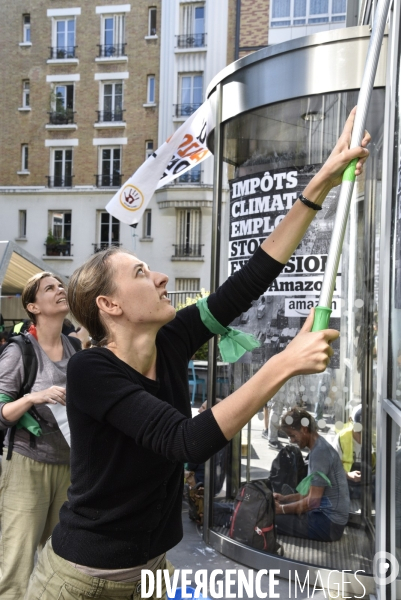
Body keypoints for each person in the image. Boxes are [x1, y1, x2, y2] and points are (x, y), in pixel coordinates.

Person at [25, 109, 370, 599]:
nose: (162, 277)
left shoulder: (172, 339)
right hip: (83, 580)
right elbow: (185, 442)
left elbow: (250, 279)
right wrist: (283, 363)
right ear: (110, 305)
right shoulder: (91, 369)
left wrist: (319, 185)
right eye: (143, 273)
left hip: (153, 572)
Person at [0, 272, 80, 600]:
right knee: (17, 560)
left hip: (70, 468)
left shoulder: (75, 347)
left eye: (60, 285)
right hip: (26, 466)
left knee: (59, 559)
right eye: (50, 288)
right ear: (33, 306)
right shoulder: (20, 352)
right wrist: (34, 397)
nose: (60, 290)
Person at [274, 408, 350, 542]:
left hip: (329, 525)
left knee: (269, 519)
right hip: (329, 520)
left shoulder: (319, 453)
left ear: (304, 429)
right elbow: (311, 493)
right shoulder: (319, 447)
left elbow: (312, 502)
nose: (291, 441)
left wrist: (281, 510)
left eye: (292, 435)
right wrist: (284, 499)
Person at [333, 404, 375, 500]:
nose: (360, 435)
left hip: (369, 482)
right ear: (350, 420)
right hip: (346, 481)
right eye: (358, 430)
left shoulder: (375, 439)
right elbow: (332, 468)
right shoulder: (342, 438)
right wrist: (348, 475)